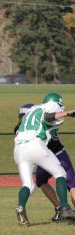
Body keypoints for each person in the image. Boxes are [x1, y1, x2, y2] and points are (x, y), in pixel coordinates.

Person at [14, 92, 75, 226]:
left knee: (28, 185)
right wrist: (68, 113)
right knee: (60, 173)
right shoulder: (49, 107)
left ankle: (21, 207)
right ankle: (64, 208)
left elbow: (17, 129)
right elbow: (49, 117)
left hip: (18, 149)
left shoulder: (31, 111)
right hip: (35, 145)